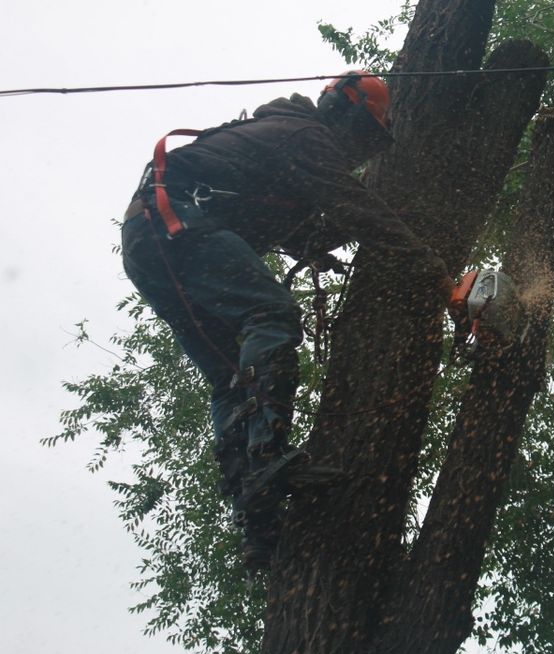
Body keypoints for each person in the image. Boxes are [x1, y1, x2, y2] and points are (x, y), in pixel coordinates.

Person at [121, 70, 450, 571]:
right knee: (270, 313)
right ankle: (266, 455)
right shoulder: (304, 134)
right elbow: (354, 208)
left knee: (230, 376)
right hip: (175, 219)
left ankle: (257, 516)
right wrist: (431, 268)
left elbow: (304, 224)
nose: (358, 152)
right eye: (363, 136)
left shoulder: (287, 142)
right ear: (342, 111)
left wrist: (316, 247)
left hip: (153, 240)